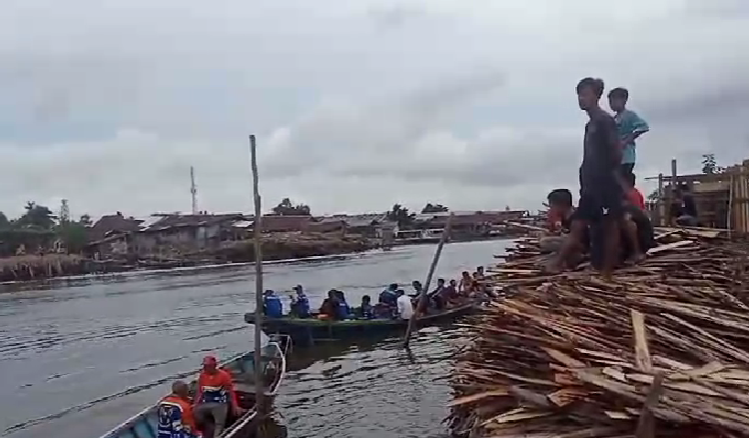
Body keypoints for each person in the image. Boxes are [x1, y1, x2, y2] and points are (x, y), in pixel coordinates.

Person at [551, 78, 624, 281]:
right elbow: (588, 156)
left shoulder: (604, 120)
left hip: (605, 184)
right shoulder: (590, 125)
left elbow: (616, 151)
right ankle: (557, 264)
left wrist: (606, 174)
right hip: (590, 186)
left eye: (585, 94)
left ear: (597, 95)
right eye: (579, 95)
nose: (581, 99)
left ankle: (607, 273)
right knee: (578, 224)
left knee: (610, 226)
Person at [608, 87, 649, 180]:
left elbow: (643, 127)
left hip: (627, 157)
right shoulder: (614, 118)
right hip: (616, 157)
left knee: (623, 182)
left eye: (614, 100)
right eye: (610, 101)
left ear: (623, 100)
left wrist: (627, 140)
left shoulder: (629, 115)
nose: (612, 104)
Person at [194, 356, 240, 438]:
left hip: (219, 404)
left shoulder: (224, 376)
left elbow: (230, 392)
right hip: (206, 403)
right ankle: (204, 431)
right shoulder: (202, 375)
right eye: (204, 366)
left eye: (207, 366)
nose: (205, 368)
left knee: (219, 423)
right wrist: (195, 404)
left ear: (214, 366)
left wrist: (234, 406)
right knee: (196, 416)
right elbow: (200, 392)